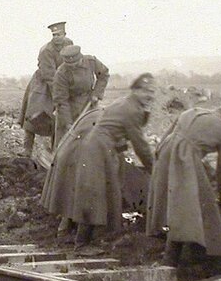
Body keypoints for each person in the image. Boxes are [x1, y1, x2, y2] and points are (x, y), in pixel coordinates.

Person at [48, 74, 156, 247]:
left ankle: (94, 239)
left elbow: (123, 131)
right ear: (135, 90)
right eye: (145, 91)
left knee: (100, 194)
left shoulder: (124, 103)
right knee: (94, 195)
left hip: (99, 148)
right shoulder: (132, 109)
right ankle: (81, 244)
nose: (149, 95)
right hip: (99, 150)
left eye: (152, 91)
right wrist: (154, 169)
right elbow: (140, 145)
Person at [147, 98, 221, 270]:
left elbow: (166, 137)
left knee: (172, 203)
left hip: (165, 152)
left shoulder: (192, 111)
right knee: (192, 207)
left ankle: (178, 254)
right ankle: (176, 261)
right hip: (184, 159)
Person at [19, 21, 73, 156]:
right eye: (54, 35)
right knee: (34, 115)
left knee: (59, 118)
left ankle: (56, 150)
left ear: (64, 34)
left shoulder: (69, 44)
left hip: (61, 83)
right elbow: (49, 75)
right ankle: (27, 149)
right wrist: (60, 96)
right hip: (42, 85)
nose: (56, 37)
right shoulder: (46, 50)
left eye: (59, 34)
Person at [52, 45, 109, 139]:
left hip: (89, 102)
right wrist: (68, 123)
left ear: (80, 58)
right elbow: (61, 101)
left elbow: (104, 74)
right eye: (69, 65)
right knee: (67, 139)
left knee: (92, 134)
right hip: (70, 106)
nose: (73, 66)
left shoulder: (91, 61)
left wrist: (96, 93)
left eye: (75, 64)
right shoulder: (61, 73)